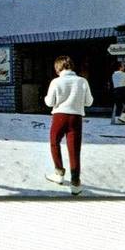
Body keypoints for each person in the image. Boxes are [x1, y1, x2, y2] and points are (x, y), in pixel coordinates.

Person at [44, 55, 94, 195]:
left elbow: (49, 102)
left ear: (58, 67)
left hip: (59, 116)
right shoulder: (82, 81)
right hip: (76, 117)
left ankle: (59, 173)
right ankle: (75, 182)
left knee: (54, 143)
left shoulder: (56, 82)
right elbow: (89, 102)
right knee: (74, 149)